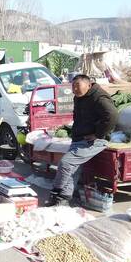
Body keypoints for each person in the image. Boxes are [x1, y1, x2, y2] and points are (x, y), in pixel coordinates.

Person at [47, 75, 118, 206]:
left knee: (65, 163)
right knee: (73, 169)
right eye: (72, 86)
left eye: (77, 86)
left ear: (88, 84)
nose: (74, 89)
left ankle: (55, 192)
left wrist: (98, 134)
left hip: (95, 141)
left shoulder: (99, 97)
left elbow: (112, 115)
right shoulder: (79, 97)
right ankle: (63, 199)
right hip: (79, 138)